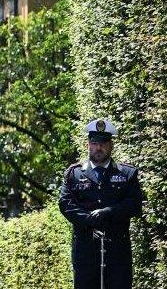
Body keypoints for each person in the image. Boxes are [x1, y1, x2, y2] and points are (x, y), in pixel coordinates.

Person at [59, 118, 144, 289]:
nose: (99, 148)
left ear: (111, 145)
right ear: (88, 144)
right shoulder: (73, 174)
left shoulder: (127, 174)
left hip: (117, 251)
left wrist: (108, 212)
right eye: (94, 143)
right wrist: (89, 219)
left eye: (103, 143)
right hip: (85, 250)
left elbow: (134, 204)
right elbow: (65, 204)